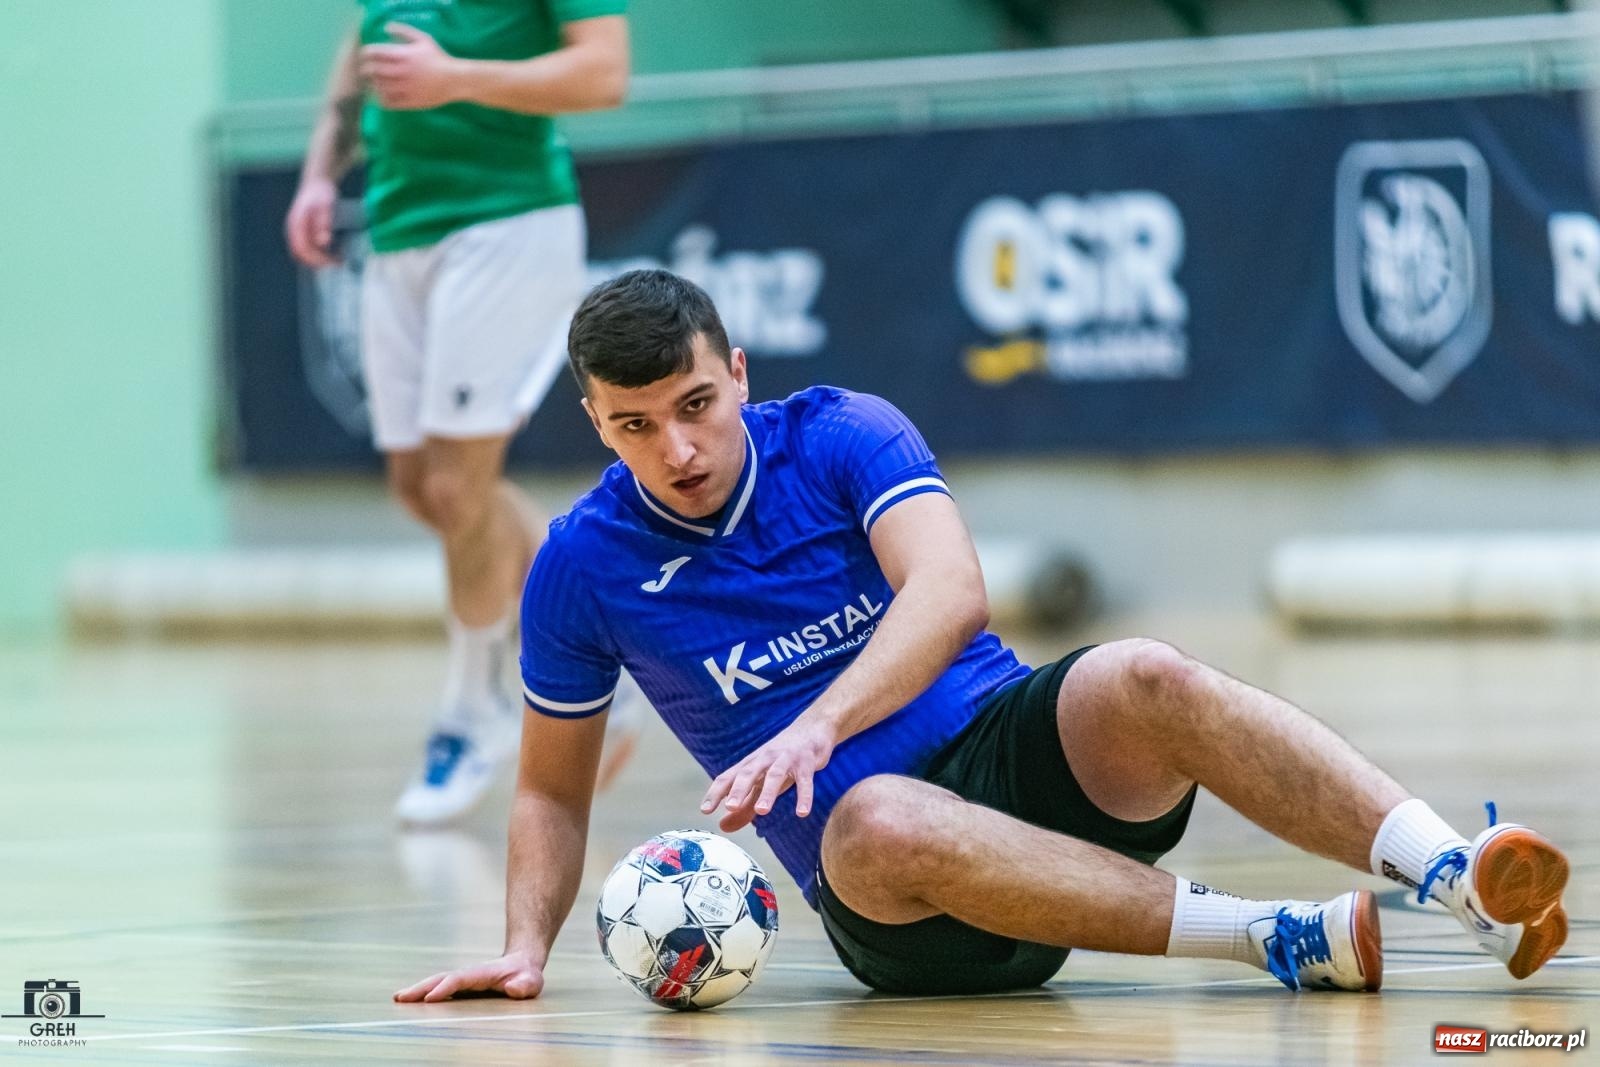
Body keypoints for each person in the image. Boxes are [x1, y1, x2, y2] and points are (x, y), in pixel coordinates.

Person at [394, 269, 1570, 1001]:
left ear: (737, 373)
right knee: (876, 815)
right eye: (636, 426)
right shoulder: (579, 564)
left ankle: (1450, 870)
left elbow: (951, 592)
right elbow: (551, 791)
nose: (679, 450)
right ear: (597, 424)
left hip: (1020, 769)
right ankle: (1270, 935)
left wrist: (816, 721)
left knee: (1143, 670)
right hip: (906, 904)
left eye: (696, 407)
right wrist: (523, 943)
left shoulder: (843, 432)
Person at [284, 0, 641, 823]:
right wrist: (318, 172)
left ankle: (472, 709)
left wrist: (456, 79)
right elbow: (361, 51)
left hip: (509, 225)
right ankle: (603, 645)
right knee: (424, 488)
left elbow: (604, 72)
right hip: (401, 227)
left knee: (457, 489)